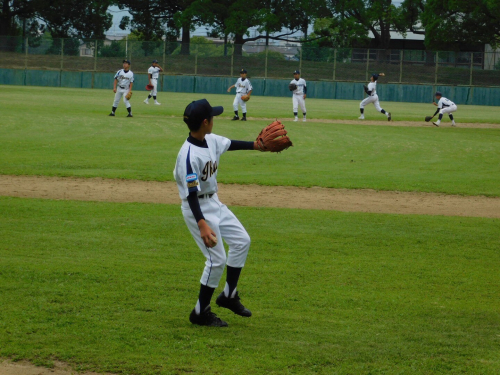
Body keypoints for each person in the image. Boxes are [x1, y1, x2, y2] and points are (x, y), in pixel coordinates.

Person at [174, 99, 261, 327]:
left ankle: (229, 295)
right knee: (216, 259)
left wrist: (256, 145)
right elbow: (192, 195)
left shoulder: (209, 139)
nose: (215, 119)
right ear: (205, 122)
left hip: (214, 202)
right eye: (213, 116)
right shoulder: (188, 156)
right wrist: (202, 224)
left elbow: (230, 144)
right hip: (197, 209)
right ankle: (200, 312)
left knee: (242, 241)